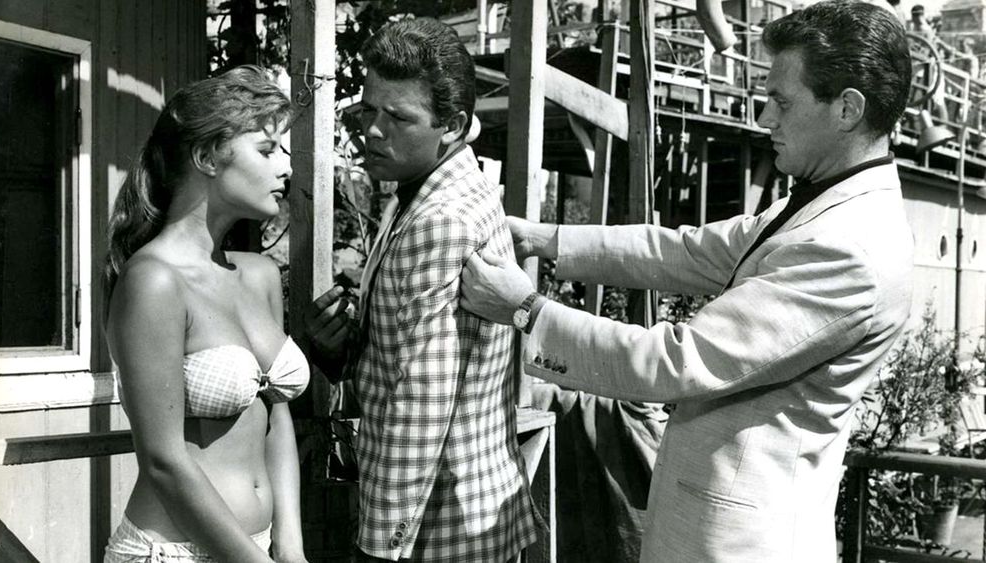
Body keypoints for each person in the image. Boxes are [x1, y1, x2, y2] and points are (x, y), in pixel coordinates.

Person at [460, 1, 913, 561]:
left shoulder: (851, 248)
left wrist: (524, 311)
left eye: (781, 101)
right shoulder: (823, 203)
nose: (764, 118)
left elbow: (677, 361)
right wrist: (544, 238)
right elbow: (686, 250)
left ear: (847, 109)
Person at [305, 17, 539, 563]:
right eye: (368, 110)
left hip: (436, 529)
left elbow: (421, 403)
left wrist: (379, 547)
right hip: (461, 512)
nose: (373, 130)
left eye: (398, 117)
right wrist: (344, 350)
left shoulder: (440, 219)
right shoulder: (426, 188)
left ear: (452, 126)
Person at [103, 66, 308, 562]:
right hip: (173, 553)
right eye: (267, 150)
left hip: (261, 548)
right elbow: (164, 461)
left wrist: (291, 545)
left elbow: (276, 419)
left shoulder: (259, 274)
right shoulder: (154, 281)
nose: (286, 168)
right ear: (206, 157)